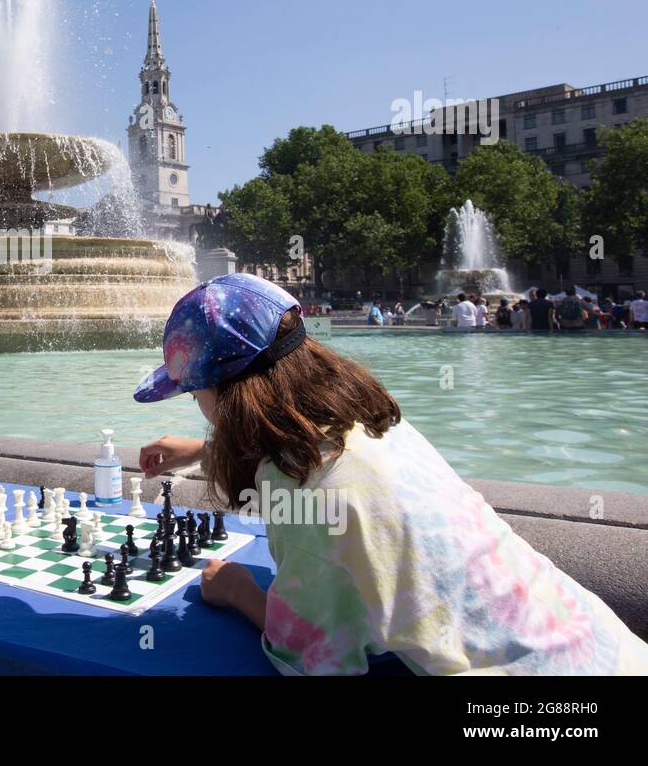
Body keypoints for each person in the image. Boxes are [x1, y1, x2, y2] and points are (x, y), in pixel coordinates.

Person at [133, 272, 648, 675]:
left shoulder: (310, 495)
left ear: (227, 391)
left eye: (194, 392)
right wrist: (206, 450)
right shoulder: (367, 420)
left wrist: (237, 589)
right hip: (610, 650)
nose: (197, 404)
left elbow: (315, 657)